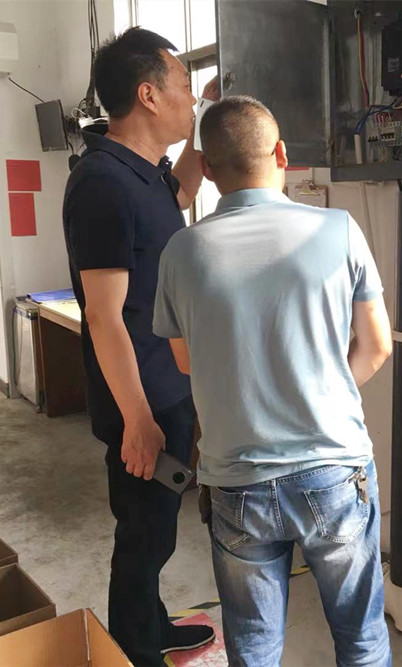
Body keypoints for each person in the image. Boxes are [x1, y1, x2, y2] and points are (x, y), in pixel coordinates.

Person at [153, 95, 394, 667]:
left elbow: (186, 361)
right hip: (333, 468)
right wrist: (319, 391)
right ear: (282, 153)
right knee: (361, 638)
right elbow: (377, 345)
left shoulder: (181, 251)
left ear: (206, 167)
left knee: (255, 647)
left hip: (238, 480)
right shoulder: (338, 229)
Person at [62, 27, 218, 666]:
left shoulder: (144, 173)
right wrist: (137, 419)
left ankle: (151, 628)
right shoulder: (102, 182)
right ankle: (135, 651)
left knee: (155, 531)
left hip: (166, 384)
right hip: (142, 399)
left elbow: (181, 194)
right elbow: (103, 316)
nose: (189, 96)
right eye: (183, 86)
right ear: (148, 95)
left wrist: (209, 117)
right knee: (144, 537)